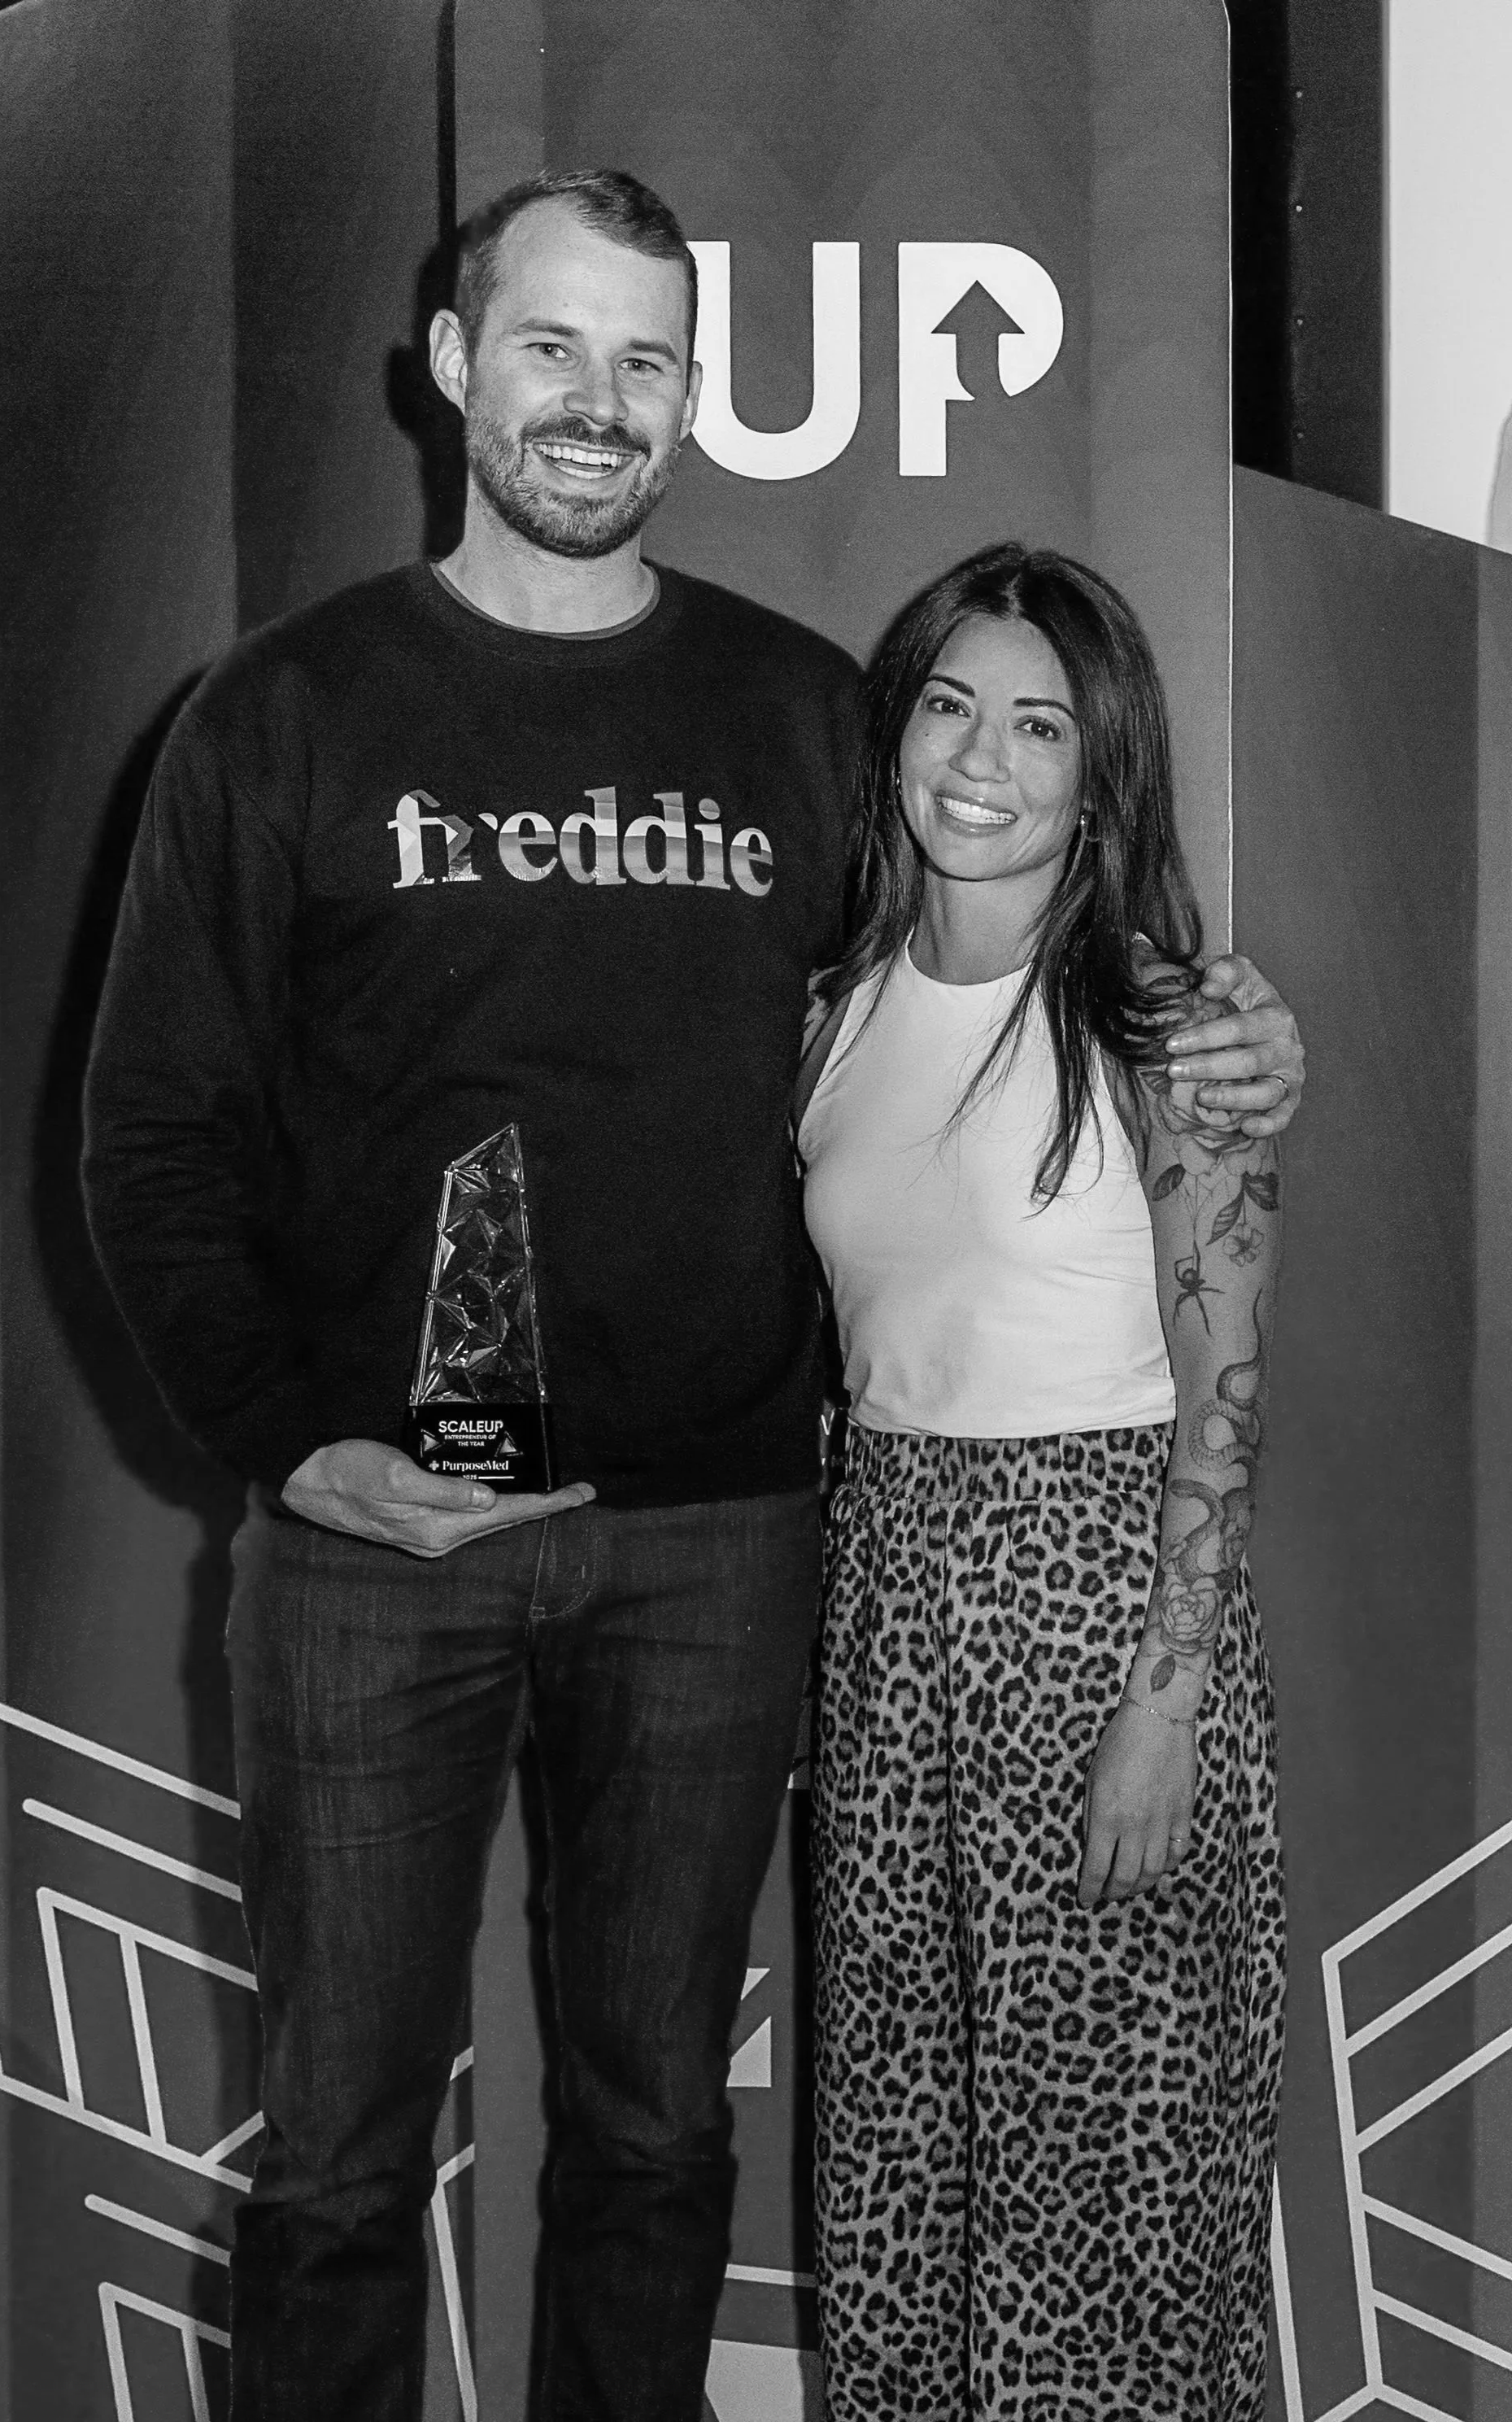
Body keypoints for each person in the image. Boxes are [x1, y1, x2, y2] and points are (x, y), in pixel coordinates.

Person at [81, 172, 1303, 2422]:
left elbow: (1001, 949)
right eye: (553, 346)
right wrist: (294, 1442)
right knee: (344, 2155)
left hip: (726, 1550)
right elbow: (146, 1140)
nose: (598, 399)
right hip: (376, 1555)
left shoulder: (802, 717)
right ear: (453, 367)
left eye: (647, 359)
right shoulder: (280, 716)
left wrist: (1225, 1029)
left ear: (689, 401)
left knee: (659, 2135)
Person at [798, 543, 1286, 2420]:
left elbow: (1225, 1403)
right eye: (946, 703)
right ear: (896, 727)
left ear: (1101, 776)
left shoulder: (1171, 1029)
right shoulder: (832, 1012)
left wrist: (1162, 1711)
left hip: (1099, 1619)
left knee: (1113, 2187)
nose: (979, 759)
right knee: (905, 2156)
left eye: (1037, 724)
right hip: (891, 1615)